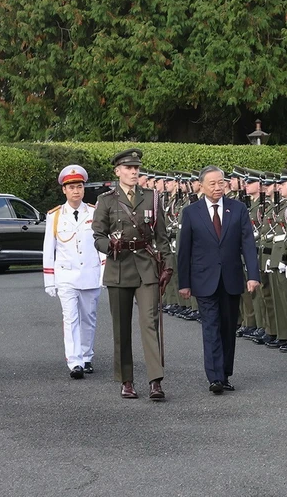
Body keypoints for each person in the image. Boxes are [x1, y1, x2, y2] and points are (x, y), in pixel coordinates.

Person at [92, 149, 174, 400]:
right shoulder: (106, 200)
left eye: (136, 168)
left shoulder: (152, 198)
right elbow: (97, 236)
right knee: (121, 327)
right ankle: (126, 380)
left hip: (146, 266)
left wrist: (168, 264)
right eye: (128, 168)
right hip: (118, 267)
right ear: (117, 171)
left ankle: (155, 380)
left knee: (150, 323)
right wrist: (109, 246)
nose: (134, 172)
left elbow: (162, 236)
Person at [177, 165, 261, 393]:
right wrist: (183, 283)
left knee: (227, 327)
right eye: (212, 184)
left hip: (231, 278)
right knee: (211, 327)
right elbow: (184, 250)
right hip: (204, 279)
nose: (217, 187)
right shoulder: (192, 212)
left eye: (221, 183)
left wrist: (253, 275)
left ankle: (224, 374)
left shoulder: (238, 209)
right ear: (201, 186)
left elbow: (248, 244)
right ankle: (214, 377)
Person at [43, 165, 104, 380]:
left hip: (90, 273)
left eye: (79, 186)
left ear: (84, 189)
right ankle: (74, 361)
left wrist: (104, 272)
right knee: (70, 318)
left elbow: (101, 244)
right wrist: (49, 280)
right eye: (71, 187)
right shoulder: (55, 216)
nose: (76, 191)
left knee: (89, 317)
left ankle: (87, 355)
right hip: (66, 276)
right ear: (64, 191)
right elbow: (49, 249)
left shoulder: (95, 213)